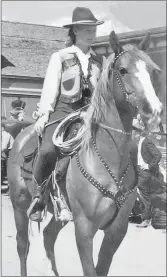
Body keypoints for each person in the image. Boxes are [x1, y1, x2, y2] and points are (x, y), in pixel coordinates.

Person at [28, 7, 105, 222]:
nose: (92, 33)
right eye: (87, 29)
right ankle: (39, 195)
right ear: (76, 31)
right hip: (63, 111)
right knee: (47, 150)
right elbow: (51, 87)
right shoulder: (60, 57)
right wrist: (44, 113)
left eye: (94, 29)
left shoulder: (100, 60)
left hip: (90, 114)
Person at [135, 131, 162, 228]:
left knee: (142, 191)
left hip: (145, 172)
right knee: (138, 191)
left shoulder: (146, 142)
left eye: (135, 132)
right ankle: (144, 215)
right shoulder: (138, 143)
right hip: (137, 170)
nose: (133, 134)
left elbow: (158, 155)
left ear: (139, 133)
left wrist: (149, 166)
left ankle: (147, 218)